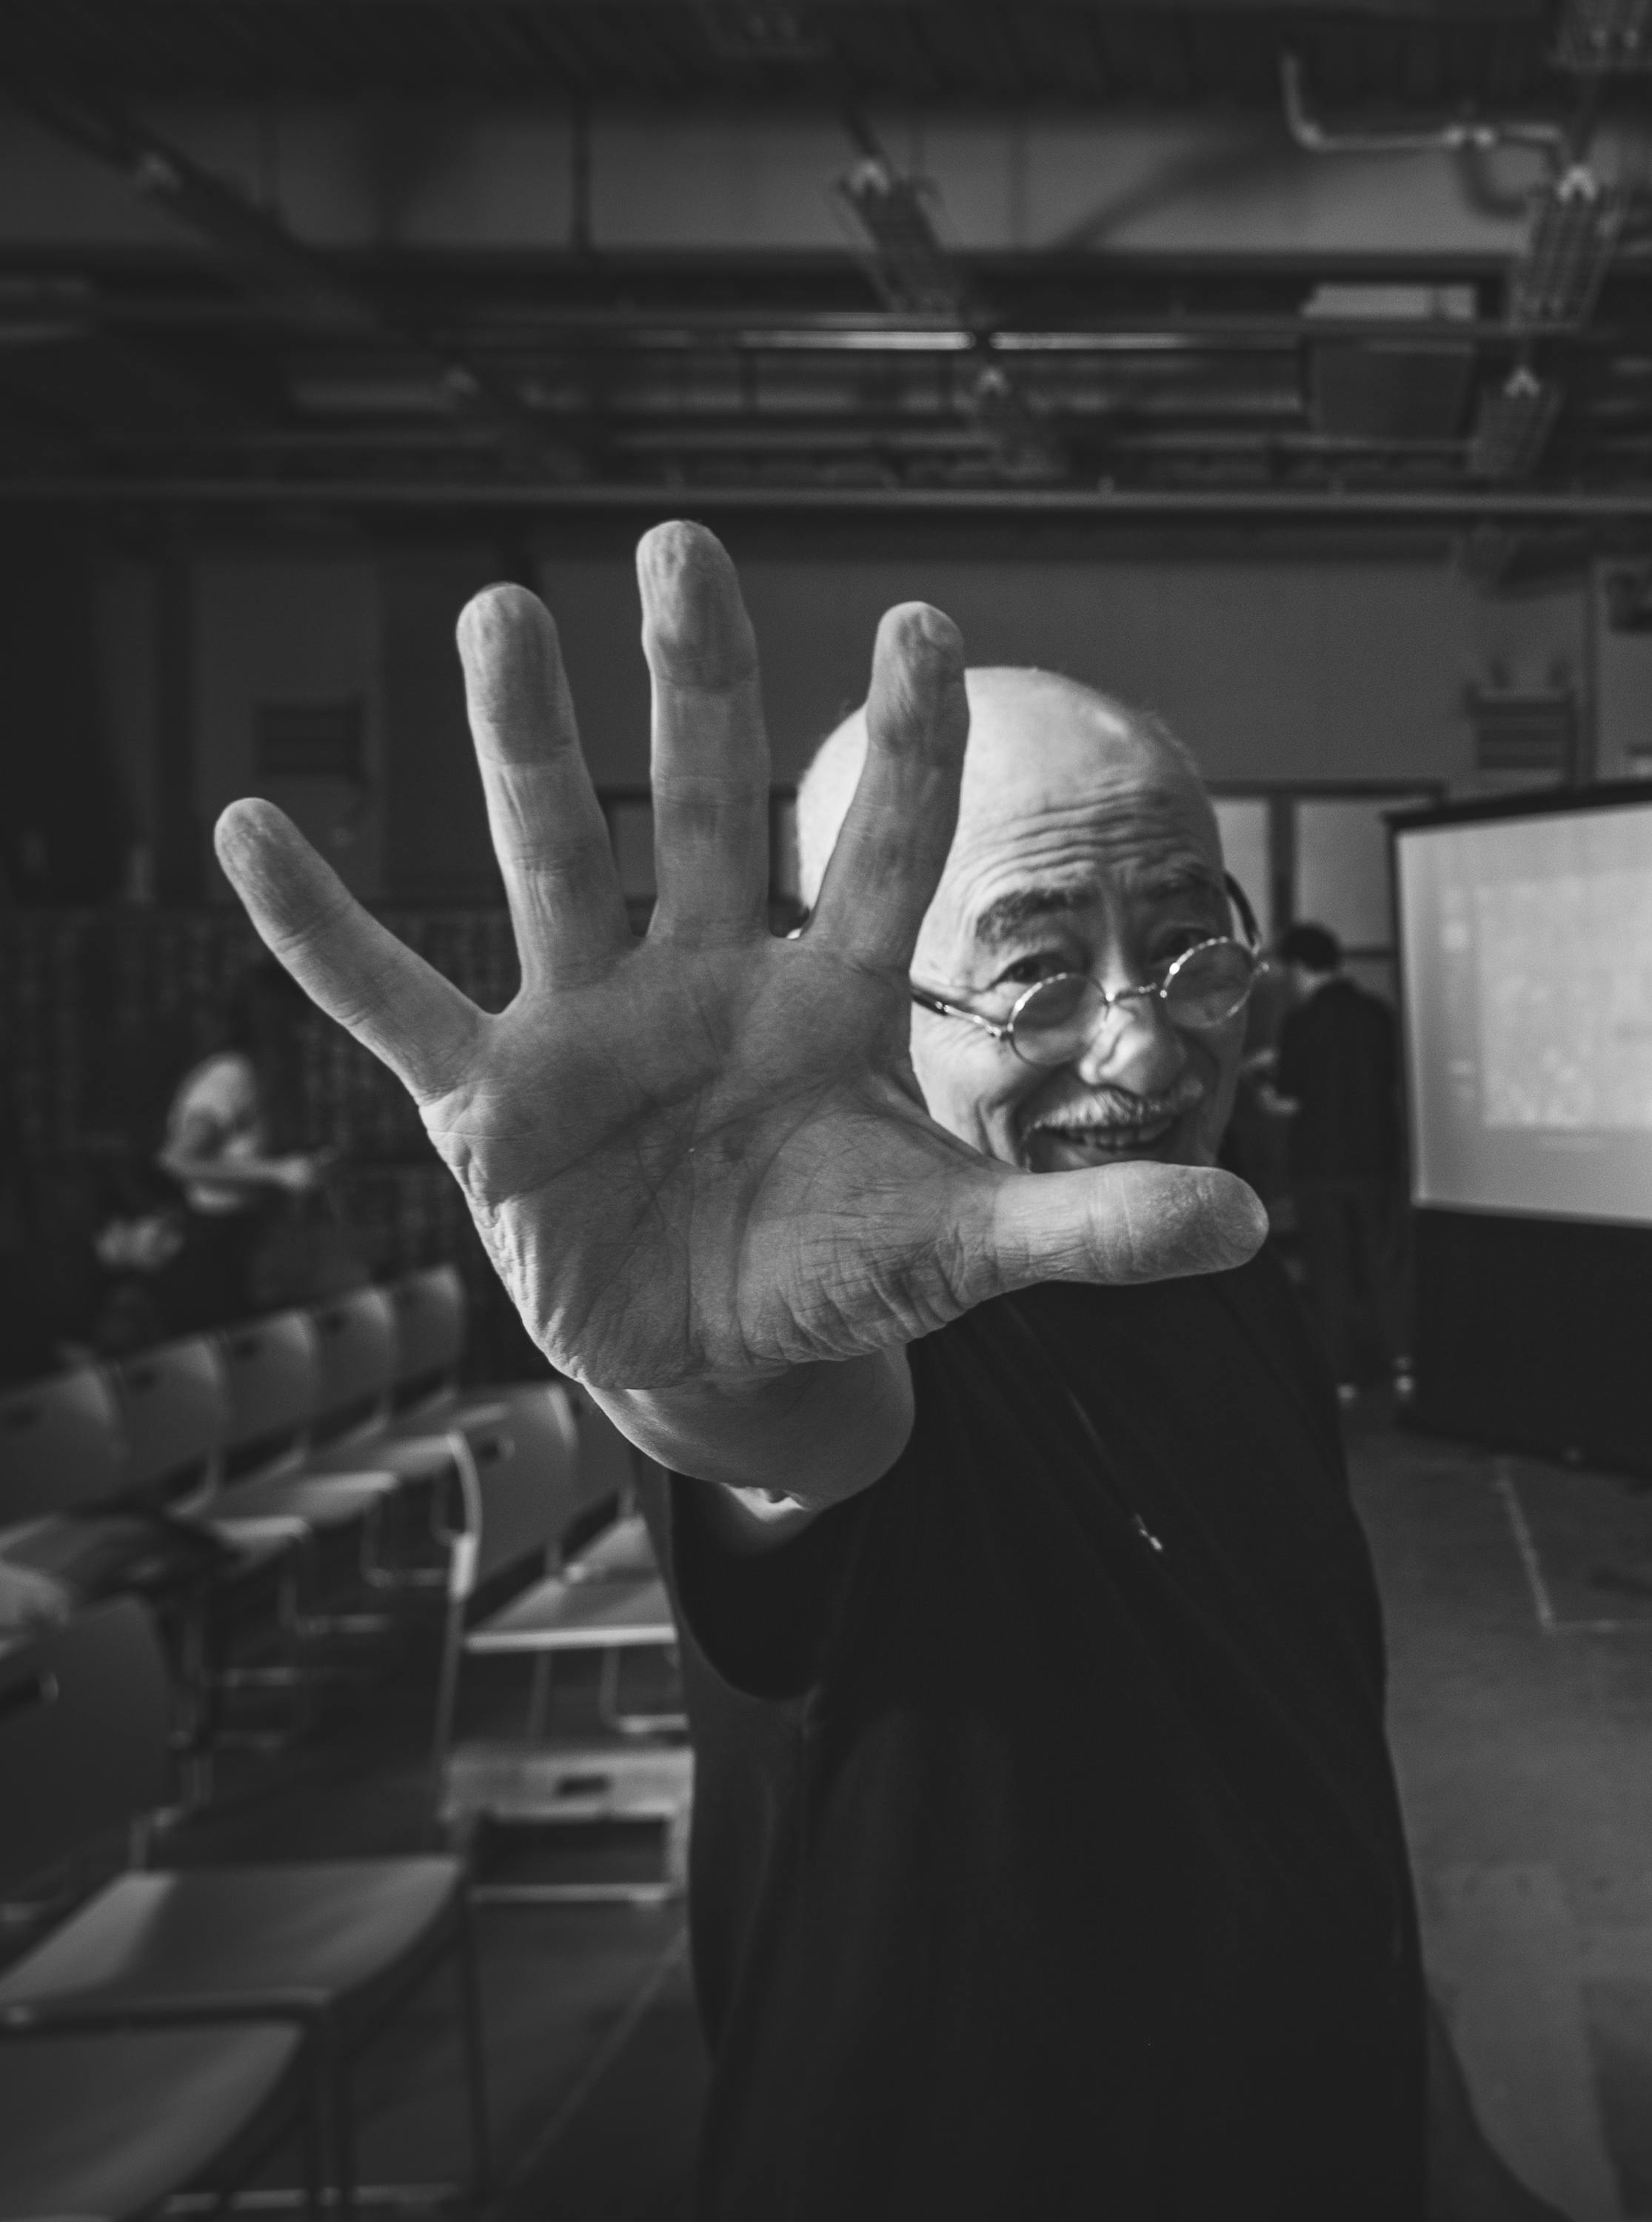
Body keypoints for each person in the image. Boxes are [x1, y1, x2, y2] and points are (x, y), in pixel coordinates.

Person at [211, 524, 1554, 2219]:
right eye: (1035, 970)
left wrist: (1436, 2137)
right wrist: (698, 1364)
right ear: (861, 1000)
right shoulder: (843, 1343)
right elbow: (784, 1443)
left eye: (1187, 949)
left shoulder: (1214, 1257)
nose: (1143, 1043)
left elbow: (1311, 1761)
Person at [1257, 921, 1410, 1399]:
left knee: (1331, 1269)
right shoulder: (1377, 1012)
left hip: (1320, 1165)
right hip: (1376, 1156)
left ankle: (1341, 1375)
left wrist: (1261, 1088)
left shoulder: (1301, 1021)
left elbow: (1288, 1102)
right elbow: (1390, 1079)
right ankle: (1403, 1361)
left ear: (1300, 968)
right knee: (1384, 1263)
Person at [155, 963, 330, 1332]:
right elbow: (177, 1160)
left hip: (243, 1235)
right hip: (213, 1244)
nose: (304, 1030)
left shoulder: (258, 1073)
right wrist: (278, 1173)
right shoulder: (231, 1075)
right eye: (296, 1018)